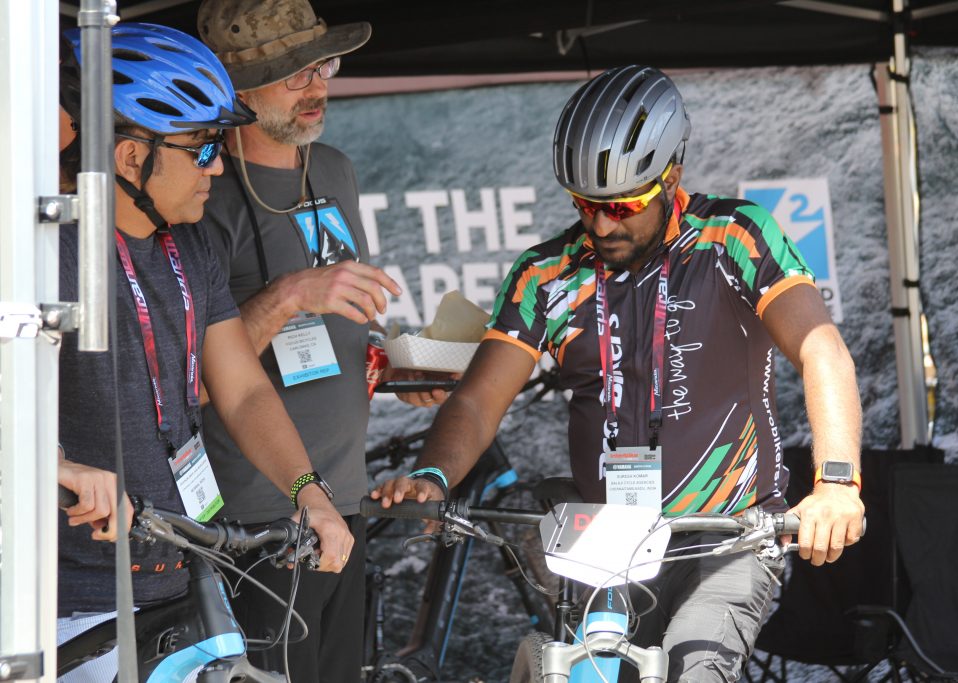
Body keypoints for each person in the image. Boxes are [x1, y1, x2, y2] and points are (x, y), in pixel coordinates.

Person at [372, 65, 866, 681]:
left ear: (672, 178)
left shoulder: (736, 236)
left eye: (623, 206)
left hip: (727, 534)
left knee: (695, 667)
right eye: (586, 206)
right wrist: (432, 474)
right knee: (588, 674)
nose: (602, 225)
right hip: (606, 545)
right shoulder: (545, 272)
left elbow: (823, 350)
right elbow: (476, 402)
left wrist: (838, 483)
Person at [55, 23, 351, 682]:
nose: (218, 164)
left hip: (183, 574)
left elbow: (243, 391)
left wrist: (309, 492)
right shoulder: (47, 251)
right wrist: (63, 465)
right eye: (203, 146)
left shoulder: (190, 246)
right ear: (132, 158)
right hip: (70, 601)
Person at [194, 1, 446, 679]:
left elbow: (338, 328)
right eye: (294, 75)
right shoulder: (200, 192)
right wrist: (286, 295)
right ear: (233, 88)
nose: (318, 87)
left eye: (323, 66)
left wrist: (393, 366)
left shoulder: (333, 168)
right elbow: (192, 371)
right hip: (258, 519)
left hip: (345, 500)